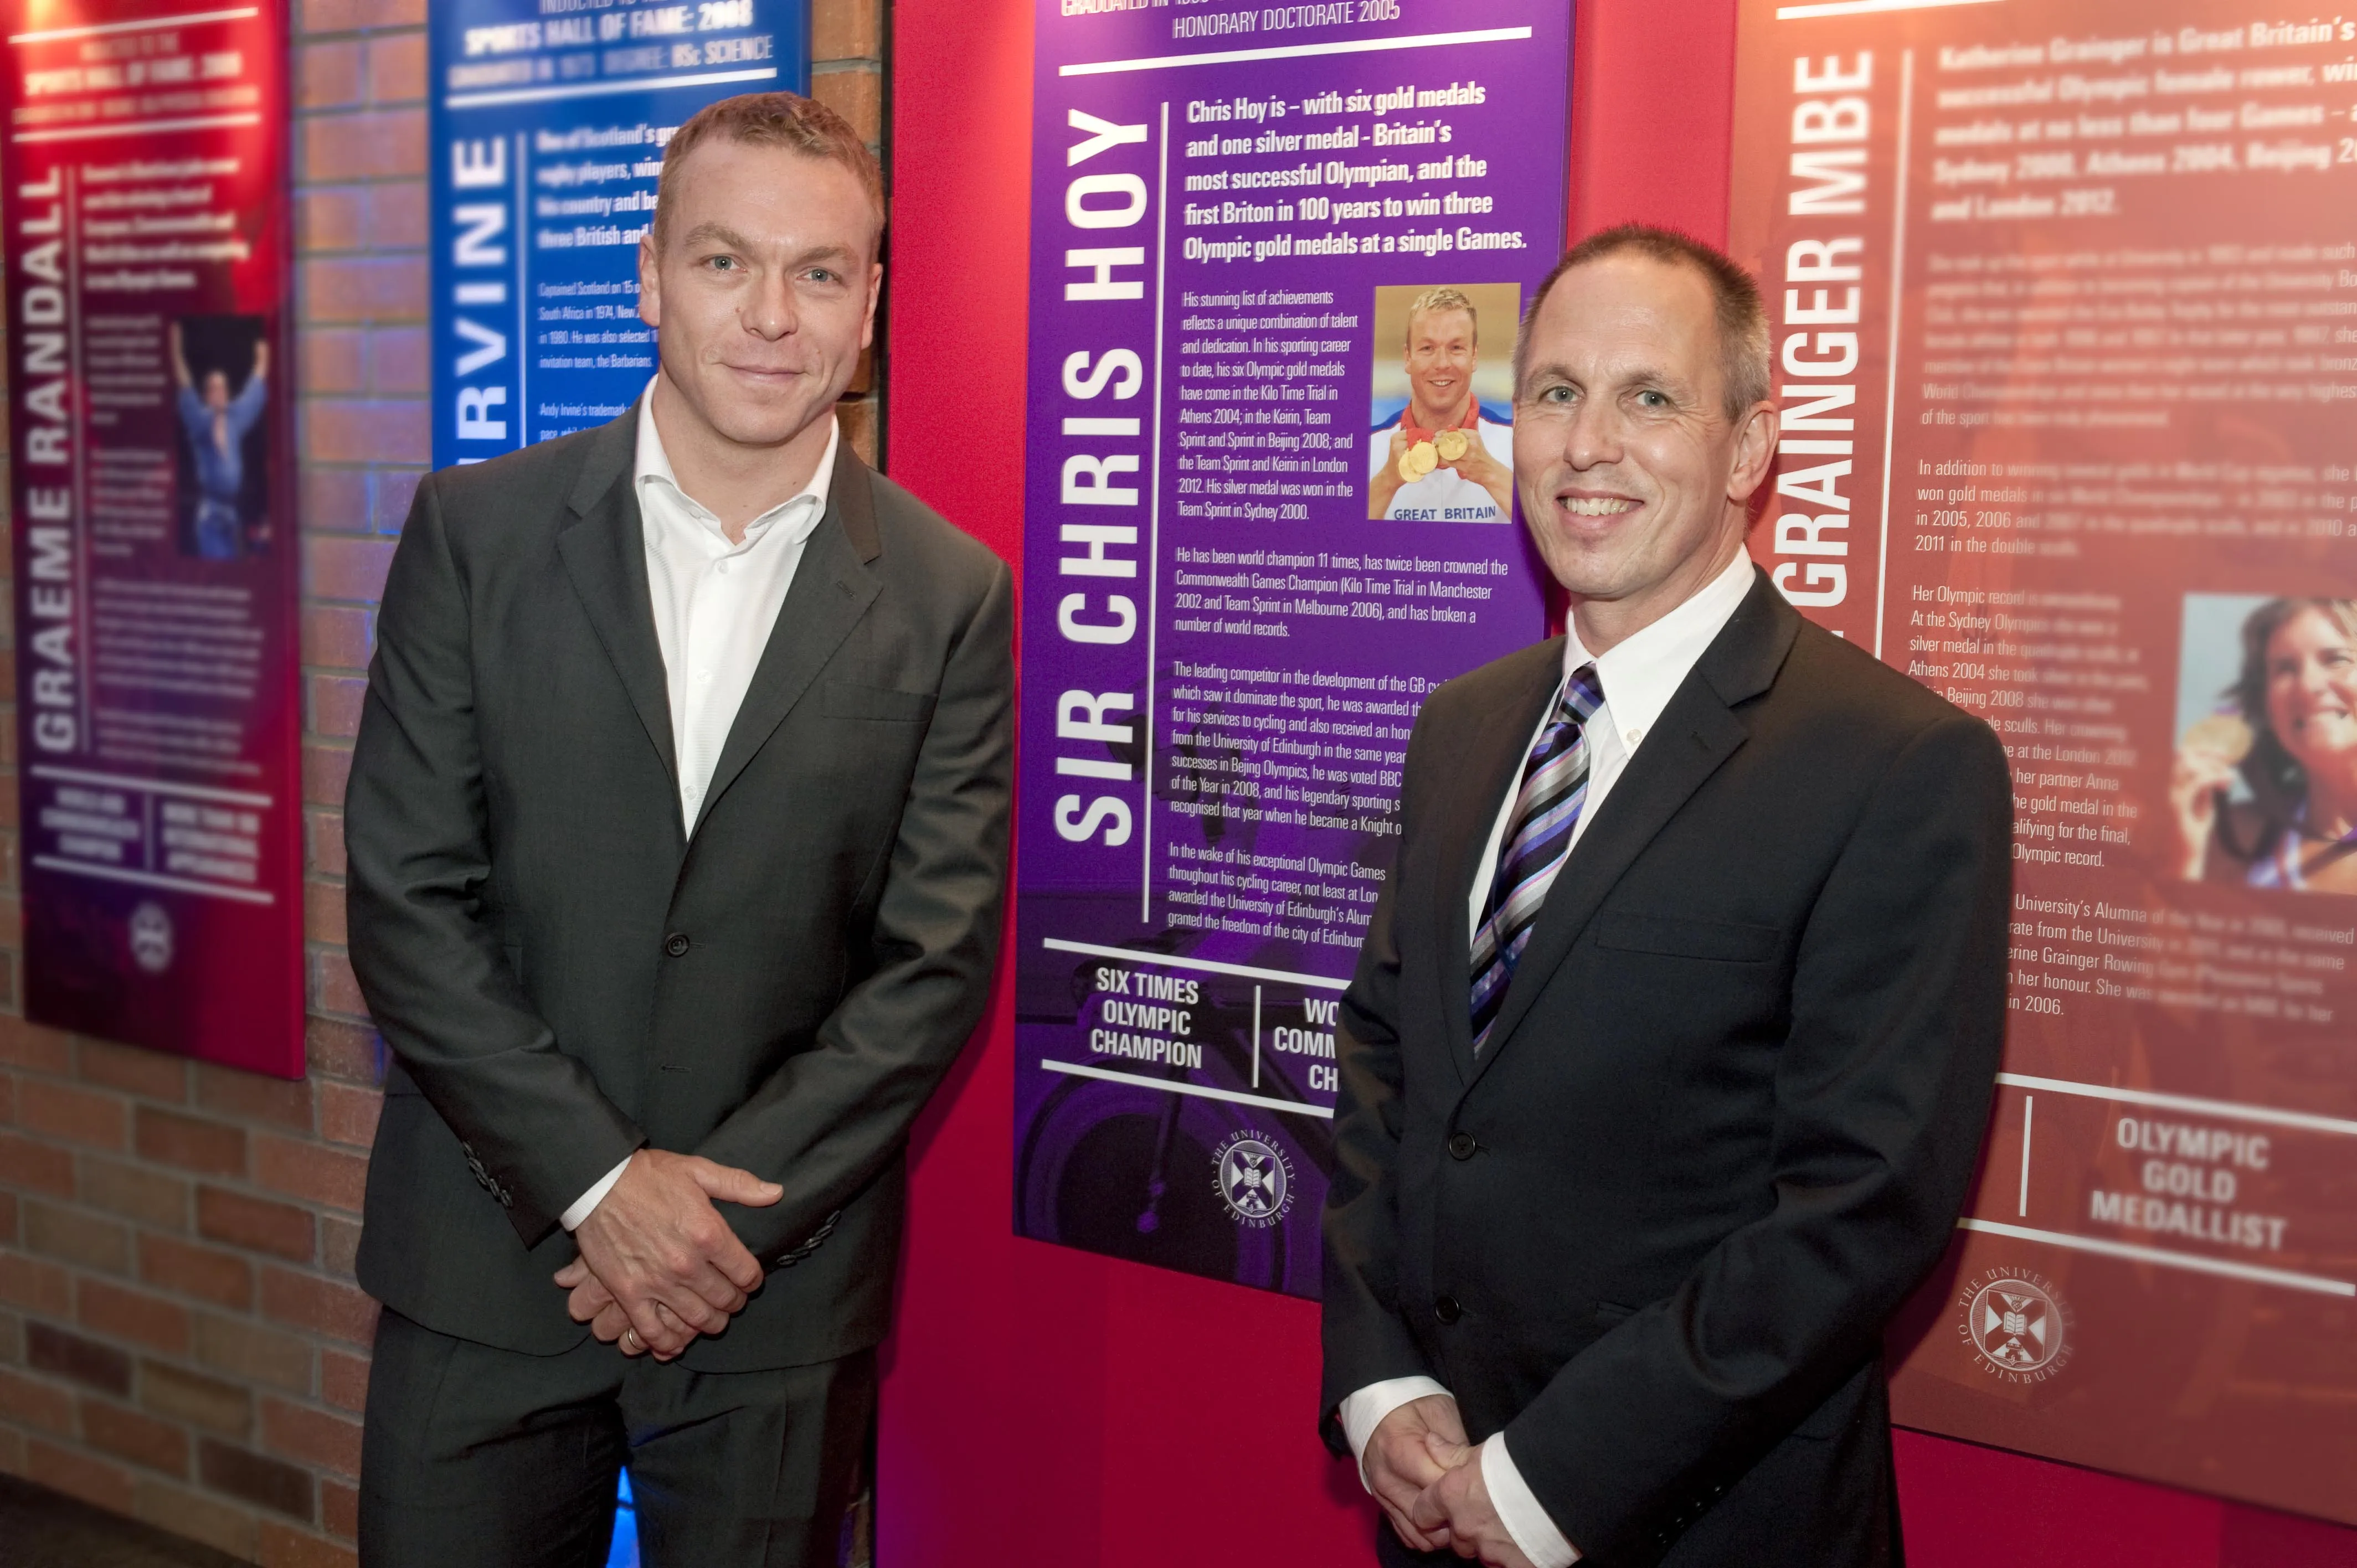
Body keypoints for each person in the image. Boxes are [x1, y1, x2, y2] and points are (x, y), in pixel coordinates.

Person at [344, 92, 1013, 1567]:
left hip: (771, 1291)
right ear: (649, 277)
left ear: (871, 305)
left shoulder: (951, 595)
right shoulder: (475, 532)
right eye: (725, 263)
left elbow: (931, 968)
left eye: (821, 272)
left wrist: (705, 1230)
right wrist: (599, 1187)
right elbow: (407, 900)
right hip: (486, 1266)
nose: (774, 315)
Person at [1320, 225, 2013, 1567]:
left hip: (1708, 1517)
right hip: (1433, 1491)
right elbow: (1386, 1060)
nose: (1590, 446)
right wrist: (1381, 1381)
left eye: (1651, 398)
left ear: (1749, 448)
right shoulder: (1463, 726)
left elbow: (1861, 1204)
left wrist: (1548, 1475)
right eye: (1561, 392)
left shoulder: (1896, 763)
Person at [2171, 596, 2357, 894]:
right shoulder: (2233, 836)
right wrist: (2183, 858)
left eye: (2336, 659)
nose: (2308, 685)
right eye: (2284, 669)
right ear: (2266, 707)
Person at [1367, 286, 1516, 523]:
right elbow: (1335, 543)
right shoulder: (1368, 449)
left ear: (1474, 356)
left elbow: (1552, 543)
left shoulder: (1515, 445)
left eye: (1456, 348)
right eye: (1427, 348)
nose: (1442, 363)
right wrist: (1386, 481)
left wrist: (1491, 473)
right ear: (1408, 358)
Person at [170, 322, 268, 559]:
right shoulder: (200, 421)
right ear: (207, 395)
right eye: (214, 388)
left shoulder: (236, 417)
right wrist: (176, 351)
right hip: (211, 517)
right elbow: (184, 384)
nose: (220, 392)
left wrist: (263, 355)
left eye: (223, 388)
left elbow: (256, 385)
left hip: (233, 515)